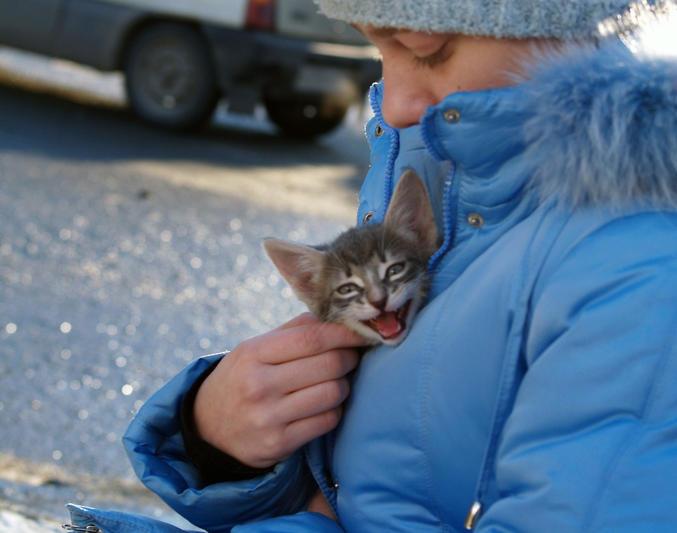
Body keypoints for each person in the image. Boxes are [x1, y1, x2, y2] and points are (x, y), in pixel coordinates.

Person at [68, 0, 677, 531]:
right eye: (375, 47)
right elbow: (376, 491)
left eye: (426, 49)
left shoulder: (639, 267)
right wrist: (225, 442)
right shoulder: (441, 174)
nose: (399, 101)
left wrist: (308, 510)